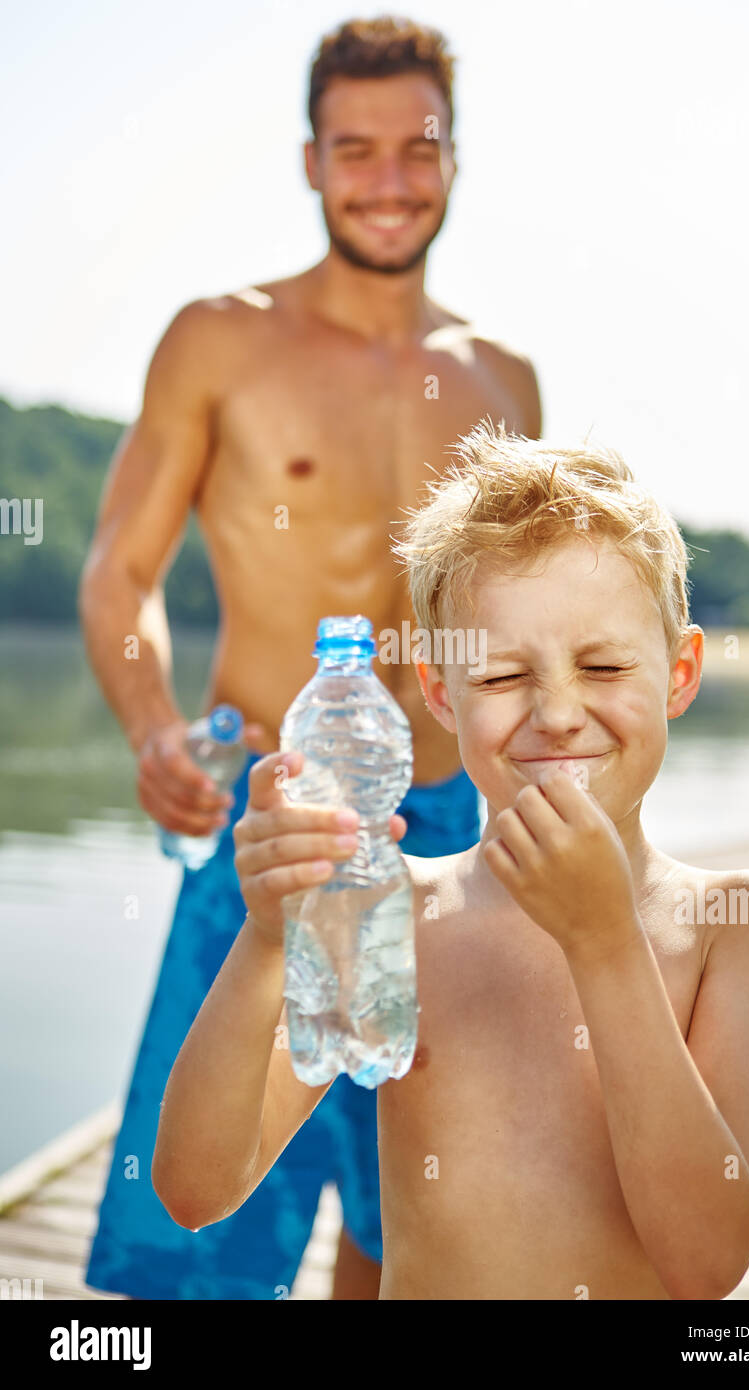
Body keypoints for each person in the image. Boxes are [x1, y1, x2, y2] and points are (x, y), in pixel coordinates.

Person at [79, 17, 541, 1301]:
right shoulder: (220, 339)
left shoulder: (501, 378)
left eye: (415, 148)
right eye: (356, 150)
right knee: (203, 1222)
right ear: (309, 160)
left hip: (448, 826)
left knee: (410, 1208)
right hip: (272, 809)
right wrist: (151, 727)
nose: (386, 181)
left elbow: (514, 626)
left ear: (452, 157)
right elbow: (121, 565)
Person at [153, 422, 749, 1299]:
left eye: (605, 666)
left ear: (682, 673)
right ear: (437, 692)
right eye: (500, 677)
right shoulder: (394, 914)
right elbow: (196, 1190)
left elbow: (707, 1262)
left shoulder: (734, 927)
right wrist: (268, 940)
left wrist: (607, 944)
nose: (560, 713)